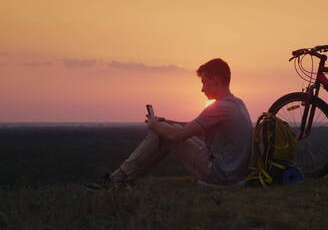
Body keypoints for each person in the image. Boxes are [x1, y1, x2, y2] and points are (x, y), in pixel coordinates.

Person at [86, 58, 252, 190]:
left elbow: (178, 136)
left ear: (215, 80)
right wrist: (167, 123)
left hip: (220, 175)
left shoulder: (219, 107)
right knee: (166, 130)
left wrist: (154, 126)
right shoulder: (237, 103)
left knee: (164, 135)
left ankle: (118, 179)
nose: (202, 89)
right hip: (234, 173)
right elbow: (193, 128)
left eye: (204, 82)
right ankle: (122, 177)